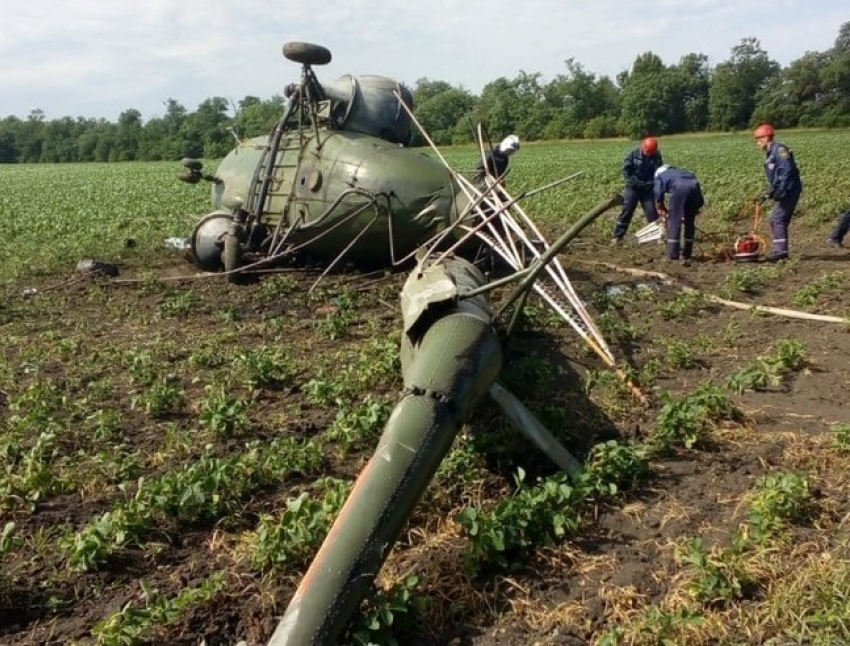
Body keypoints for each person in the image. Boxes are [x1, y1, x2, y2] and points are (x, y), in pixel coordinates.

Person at [753, 123, 803, 262]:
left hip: (790, 189)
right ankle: (781, 250)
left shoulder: (780, 149)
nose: (757, 143)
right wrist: (768, 193)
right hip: (786, 189)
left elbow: (787, 170)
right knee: (779, 219)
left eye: (758, 139)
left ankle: (780, 252)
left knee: (777, 219)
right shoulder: (771, 153)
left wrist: (782, 189)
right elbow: (776, 177)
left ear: (766, 138)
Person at [611, 137, 664, 244]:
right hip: (633, 188)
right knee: (627, 210)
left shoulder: (656, 156)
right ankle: (617, 236)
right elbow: (626, 171)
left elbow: (659, 172)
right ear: (643, 147)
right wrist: (635, 182)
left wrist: (651, 183)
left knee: (651, 212)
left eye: (651, 153)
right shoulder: (633, 154)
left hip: (647, 189)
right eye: (647, 152)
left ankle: (658, 236)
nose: (648, 154)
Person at [653, 164, 705, 265]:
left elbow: (658, 192)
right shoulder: (683, 173)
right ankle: (687, 254)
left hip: (680, 188)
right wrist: (694, 208)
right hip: (694, 187)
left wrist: (660, 205)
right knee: (689, 222)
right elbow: (699, 197)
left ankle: (673, 255)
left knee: (674, 221)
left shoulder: (660, 175)